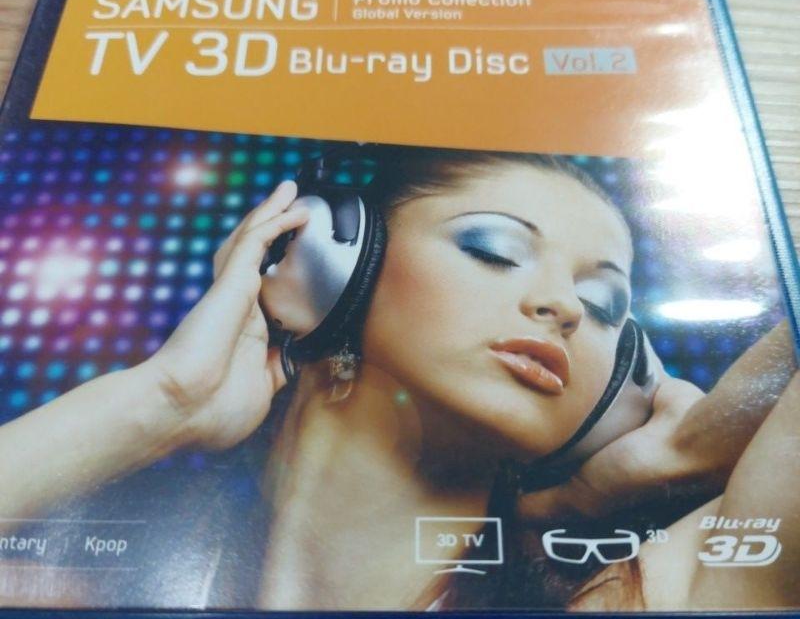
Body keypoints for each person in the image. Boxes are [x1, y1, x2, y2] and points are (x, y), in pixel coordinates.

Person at [0, 147, 796, 611]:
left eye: (603, 304)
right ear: (323, 263)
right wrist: (161, 403)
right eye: (493, 249)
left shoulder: (639, 595)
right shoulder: (80, 588)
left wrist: (678, 458)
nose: (561, 306)